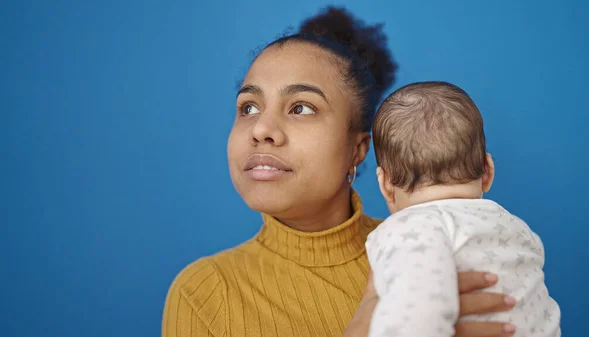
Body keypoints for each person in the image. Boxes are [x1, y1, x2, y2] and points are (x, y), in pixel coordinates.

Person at [162, 7, 516, 337]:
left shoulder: (445, 250)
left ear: (358, 150)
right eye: (249, 107)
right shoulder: (204, 295)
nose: (260, 129)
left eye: (301, 107)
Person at [364, 81, 561, 337]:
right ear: (487, 170)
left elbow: (416, 318)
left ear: (385, 184)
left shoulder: (410, 229)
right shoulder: (517, 229)